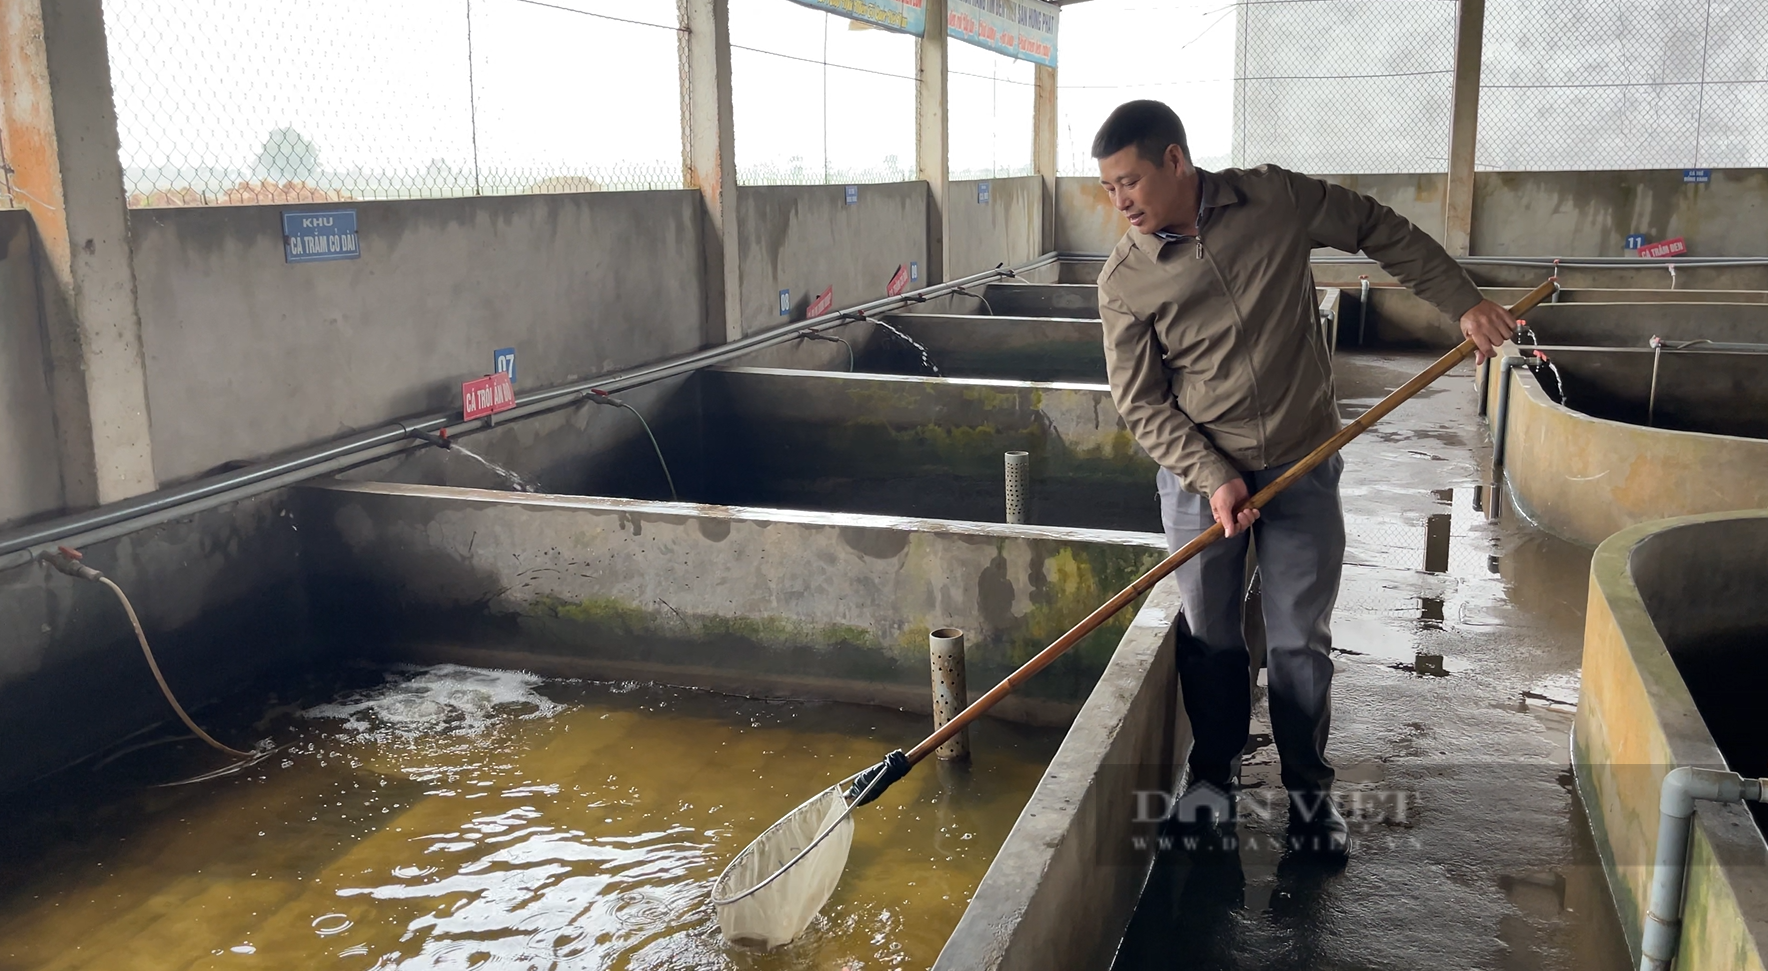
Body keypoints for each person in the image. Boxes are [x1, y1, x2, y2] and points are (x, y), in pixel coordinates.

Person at [1092, 100, 1516, 858]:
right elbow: (1142, 402)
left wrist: (1463, 300)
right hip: (1198, 477)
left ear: (1175, 162)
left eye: (1129, 181)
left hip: (1302, 462)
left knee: (1298, 641)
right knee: (1212, 633)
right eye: (1109, 188)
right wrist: (1213, 475)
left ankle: (1309, 795)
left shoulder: (1274, 200)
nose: (1119, 201)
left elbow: (1377, 228)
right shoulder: (1125, 278)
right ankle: (1212, 780)